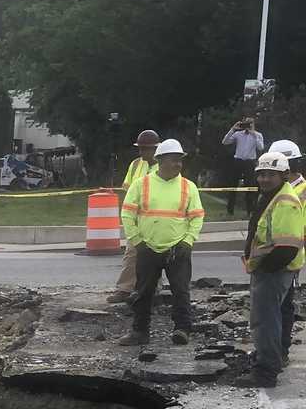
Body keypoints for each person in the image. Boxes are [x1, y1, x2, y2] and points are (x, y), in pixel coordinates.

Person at [118, 139, 205, 346]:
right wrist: (138, 242)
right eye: (173, 160)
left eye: (180, 160)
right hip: (147, 247)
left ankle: (182, 329)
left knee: (181, 290)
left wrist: (187, 241)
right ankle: (140, 331)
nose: (178, 164)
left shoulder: (188, 187)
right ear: (160, 161)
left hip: (178, 248)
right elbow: (127, 214)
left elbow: (197, 217)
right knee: (143, 292)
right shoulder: (141, 185)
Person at [236, 152, 305, 388]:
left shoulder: (284, 201)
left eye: (270, 175)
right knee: (268, 318)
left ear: (284, 175)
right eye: (261, 174)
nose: (264, 179)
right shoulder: (271, 196)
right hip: (270, 269)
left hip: (275, 270)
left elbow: (287, 247)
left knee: (265, 321)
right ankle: (266, 359)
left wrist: (265, 269)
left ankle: (266, 372)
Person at [108, 130, 162, 304]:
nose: (142, 152)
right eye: (140, 148)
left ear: (155, 149)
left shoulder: (163, 167)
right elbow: (128, 190)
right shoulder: (136, 164)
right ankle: (125, 289)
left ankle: (153, 290)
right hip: (137, 219)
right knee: (131, 254)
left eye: (146, 149)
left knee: (155, 255)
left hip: (156, 220)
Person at [269, 139, 305, 364]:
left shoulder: (301, 190)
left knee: (283, 305)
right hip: (273, 254)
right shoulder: (278, 188)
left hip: (289, 256)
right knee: (275, 305)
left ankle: (281, 350)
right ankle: (274, 348)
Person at [222, 117, 266, 216]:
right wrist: (233, 129)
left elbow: (261, 147)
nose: (248, 126)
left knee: (249, 186)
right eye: (246, 123)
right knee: (233, 185)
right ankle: (230, 211)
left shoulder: (258, 135)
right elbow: (225, 142)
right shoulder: (238, 134)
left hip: (250, 162)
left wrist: (254, 134)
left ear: (253, 124)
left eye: (250, 124)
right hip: (238, 161)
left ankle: (249, 211)